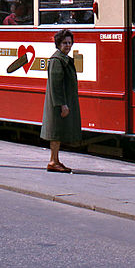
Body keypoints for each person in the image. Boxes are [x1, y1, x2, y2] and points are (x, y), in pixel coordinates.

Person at [40, 28, 81, 173]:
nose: (68, 46)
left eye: (70, 43)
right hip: (57, 105)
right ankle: (53, 161)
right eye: (65, 43)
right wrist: (62, 104)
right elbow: (55, 85)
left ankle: (55, 160)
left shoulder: (63, 59)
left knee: (57, 133)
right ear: (58, 44)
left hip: (61, 103)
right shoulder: (57, 60)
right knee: (55, 133)